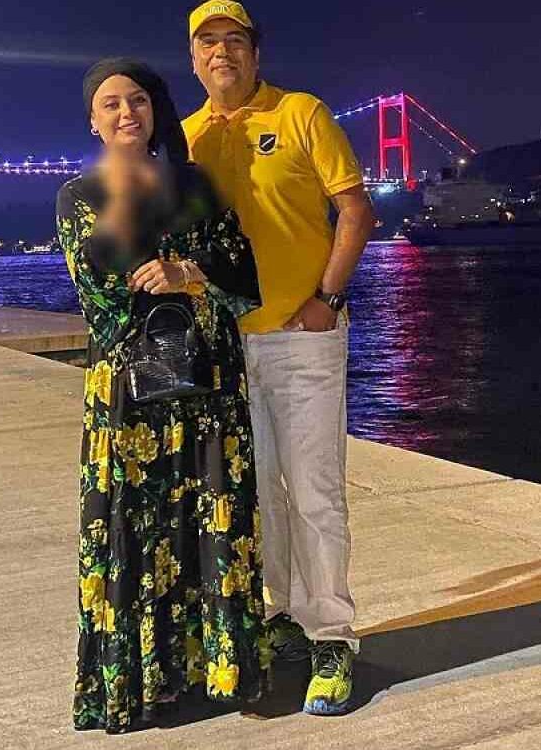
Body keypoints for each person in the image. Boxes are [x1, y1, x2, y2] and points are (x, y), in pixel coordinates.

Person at [56, 57, 269, 734]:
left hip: (209, 388)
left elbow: (244, 273)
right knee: (134, 531)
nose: (128, 113)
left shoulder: (195, 183)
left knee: (212, 521)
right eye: (112, 104)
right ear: (92, 120)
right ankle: (142, 684)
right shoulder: (79, 196)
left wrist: (187, 271)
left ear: (156, 111)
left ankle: (221, 673)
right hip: (130, 398)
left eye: (139, 101)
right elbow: (102, 298)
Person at [183, 1, 375, 716]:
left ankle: (333, 635)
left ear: (255, 54)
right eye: (208, 42)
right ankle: (284, 614)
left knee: (316, 490)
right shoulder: (187, 138)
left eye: (235, 41)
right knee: (258, 493)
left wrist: (328, 297)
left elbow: (356, 210)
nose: (222, 52)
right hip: (228, 347)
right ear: (194, 60)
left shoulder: (302, 113)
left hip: (303, 336)